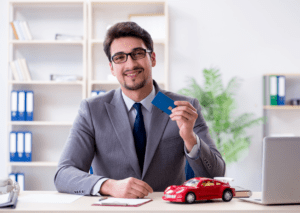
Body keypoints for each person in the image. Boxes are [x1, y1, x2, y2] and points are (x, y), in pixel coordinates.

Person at [54, 22, 225, 198]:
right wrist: (109, 186)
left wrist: (190, 138)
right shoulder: (92, 110)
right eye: (120, 57)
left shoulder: (182, 106)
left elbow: (215, 176)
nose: (130, 64)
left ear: (153, 59)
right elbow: (63, 174)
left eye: (138, 54)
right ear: (112, 68)